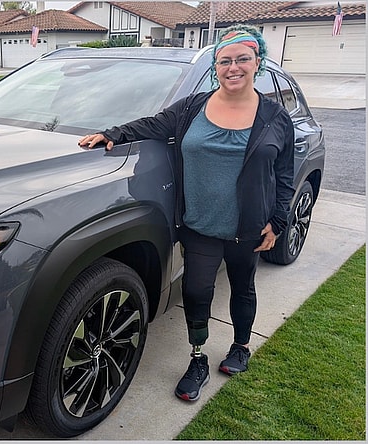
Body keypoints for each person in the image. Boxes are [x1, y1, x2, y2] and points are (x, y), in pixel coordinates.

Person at [78, 24, 295, 402]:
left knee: (243, 288)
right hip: (200, 226)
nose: (233, 67)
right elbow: (153, 124)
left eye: (243, 58)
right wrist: (112, 134)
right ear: (216, 66)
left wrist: (278, 220)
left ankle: (240, 347)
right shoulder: (194, 107)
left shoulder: (276, 117)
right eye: (225, 60)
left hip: (249, 228)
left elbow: (285, 175)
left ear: (257, 62)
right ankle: (197, 357)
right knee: (196, 291)